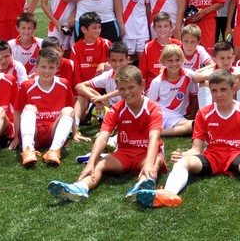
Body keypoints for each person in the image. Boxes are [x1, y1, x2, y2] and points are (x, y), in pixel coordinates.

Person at [134, 68, 240, 208]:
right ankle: (167, 194)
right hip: (212, 155)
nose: (218, 94)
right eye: (214, 91)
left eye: (223, 90)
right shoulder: (204, 113)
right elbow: (196, 148)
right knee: (181, 162)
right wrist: (182, 155)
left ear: (233, 89)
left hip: (236, 155)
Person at [48, 65, 167, 202]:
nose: (126, 92)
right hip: (125, 153)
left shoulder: (153, 109)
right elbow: (103, 137)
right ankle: (79, 188)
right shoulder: (115, 110)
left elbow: (154, 138)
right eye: (122, 89)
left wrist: (148, 164)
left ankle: (141, 188)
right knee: (99, 164)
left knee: (153, 163)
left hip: (147, 152)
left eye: (131, 87)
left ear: (142, 85)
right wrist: (91, 163)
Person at [14, 49, 76, 167]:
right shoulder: (27, 85)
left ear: (57, 68)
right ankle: (28, 149)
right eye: (43, 67)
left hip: (54, 130)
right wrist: (16, 137)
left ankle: (54, 150)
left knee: (68, 110)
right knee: (28, 108)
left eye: (51, 67)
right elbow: (17, 111)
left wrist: (75, 133)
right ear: (36, 66)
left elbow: (71, 111)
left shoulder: (64, 83)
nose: (47, 71)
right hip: (34, 130)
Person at [146, 45, 207, 136]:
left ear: (183, 60)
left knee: (194, 125)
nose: (174, 64)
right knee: (193, 126)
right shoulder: (157, 82)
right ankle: (155, 132)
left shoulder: (189, 75)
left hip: (177, 117)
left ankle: (156, 132)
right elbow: (149, 105)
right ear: (163, 62)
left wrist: (192, 116)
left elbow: (194, 97)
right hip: (160, 113)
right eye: (170, 60)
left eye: (177, 60)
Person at [70, 12, 112, 86]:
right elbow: (76, 72)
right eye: (94, 28)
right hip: (84, 89)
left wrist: (104, 65)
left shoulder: (106, 43)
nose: (98, 30)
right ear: (83, 29)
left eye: (99, 27)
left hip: (104, 89)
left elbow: (116, 64)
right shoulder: (76, 47)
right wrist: (79, 91)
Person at [138, 12, 181, 84]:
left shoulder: (178, 45)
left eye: (166, 26)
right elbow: (143, 74)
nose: (162, 29)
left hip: (174, 84)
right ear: (154, 28)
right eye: (159, 26)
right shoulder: (148, 47)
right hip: (153, 85)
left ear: (171, 27)